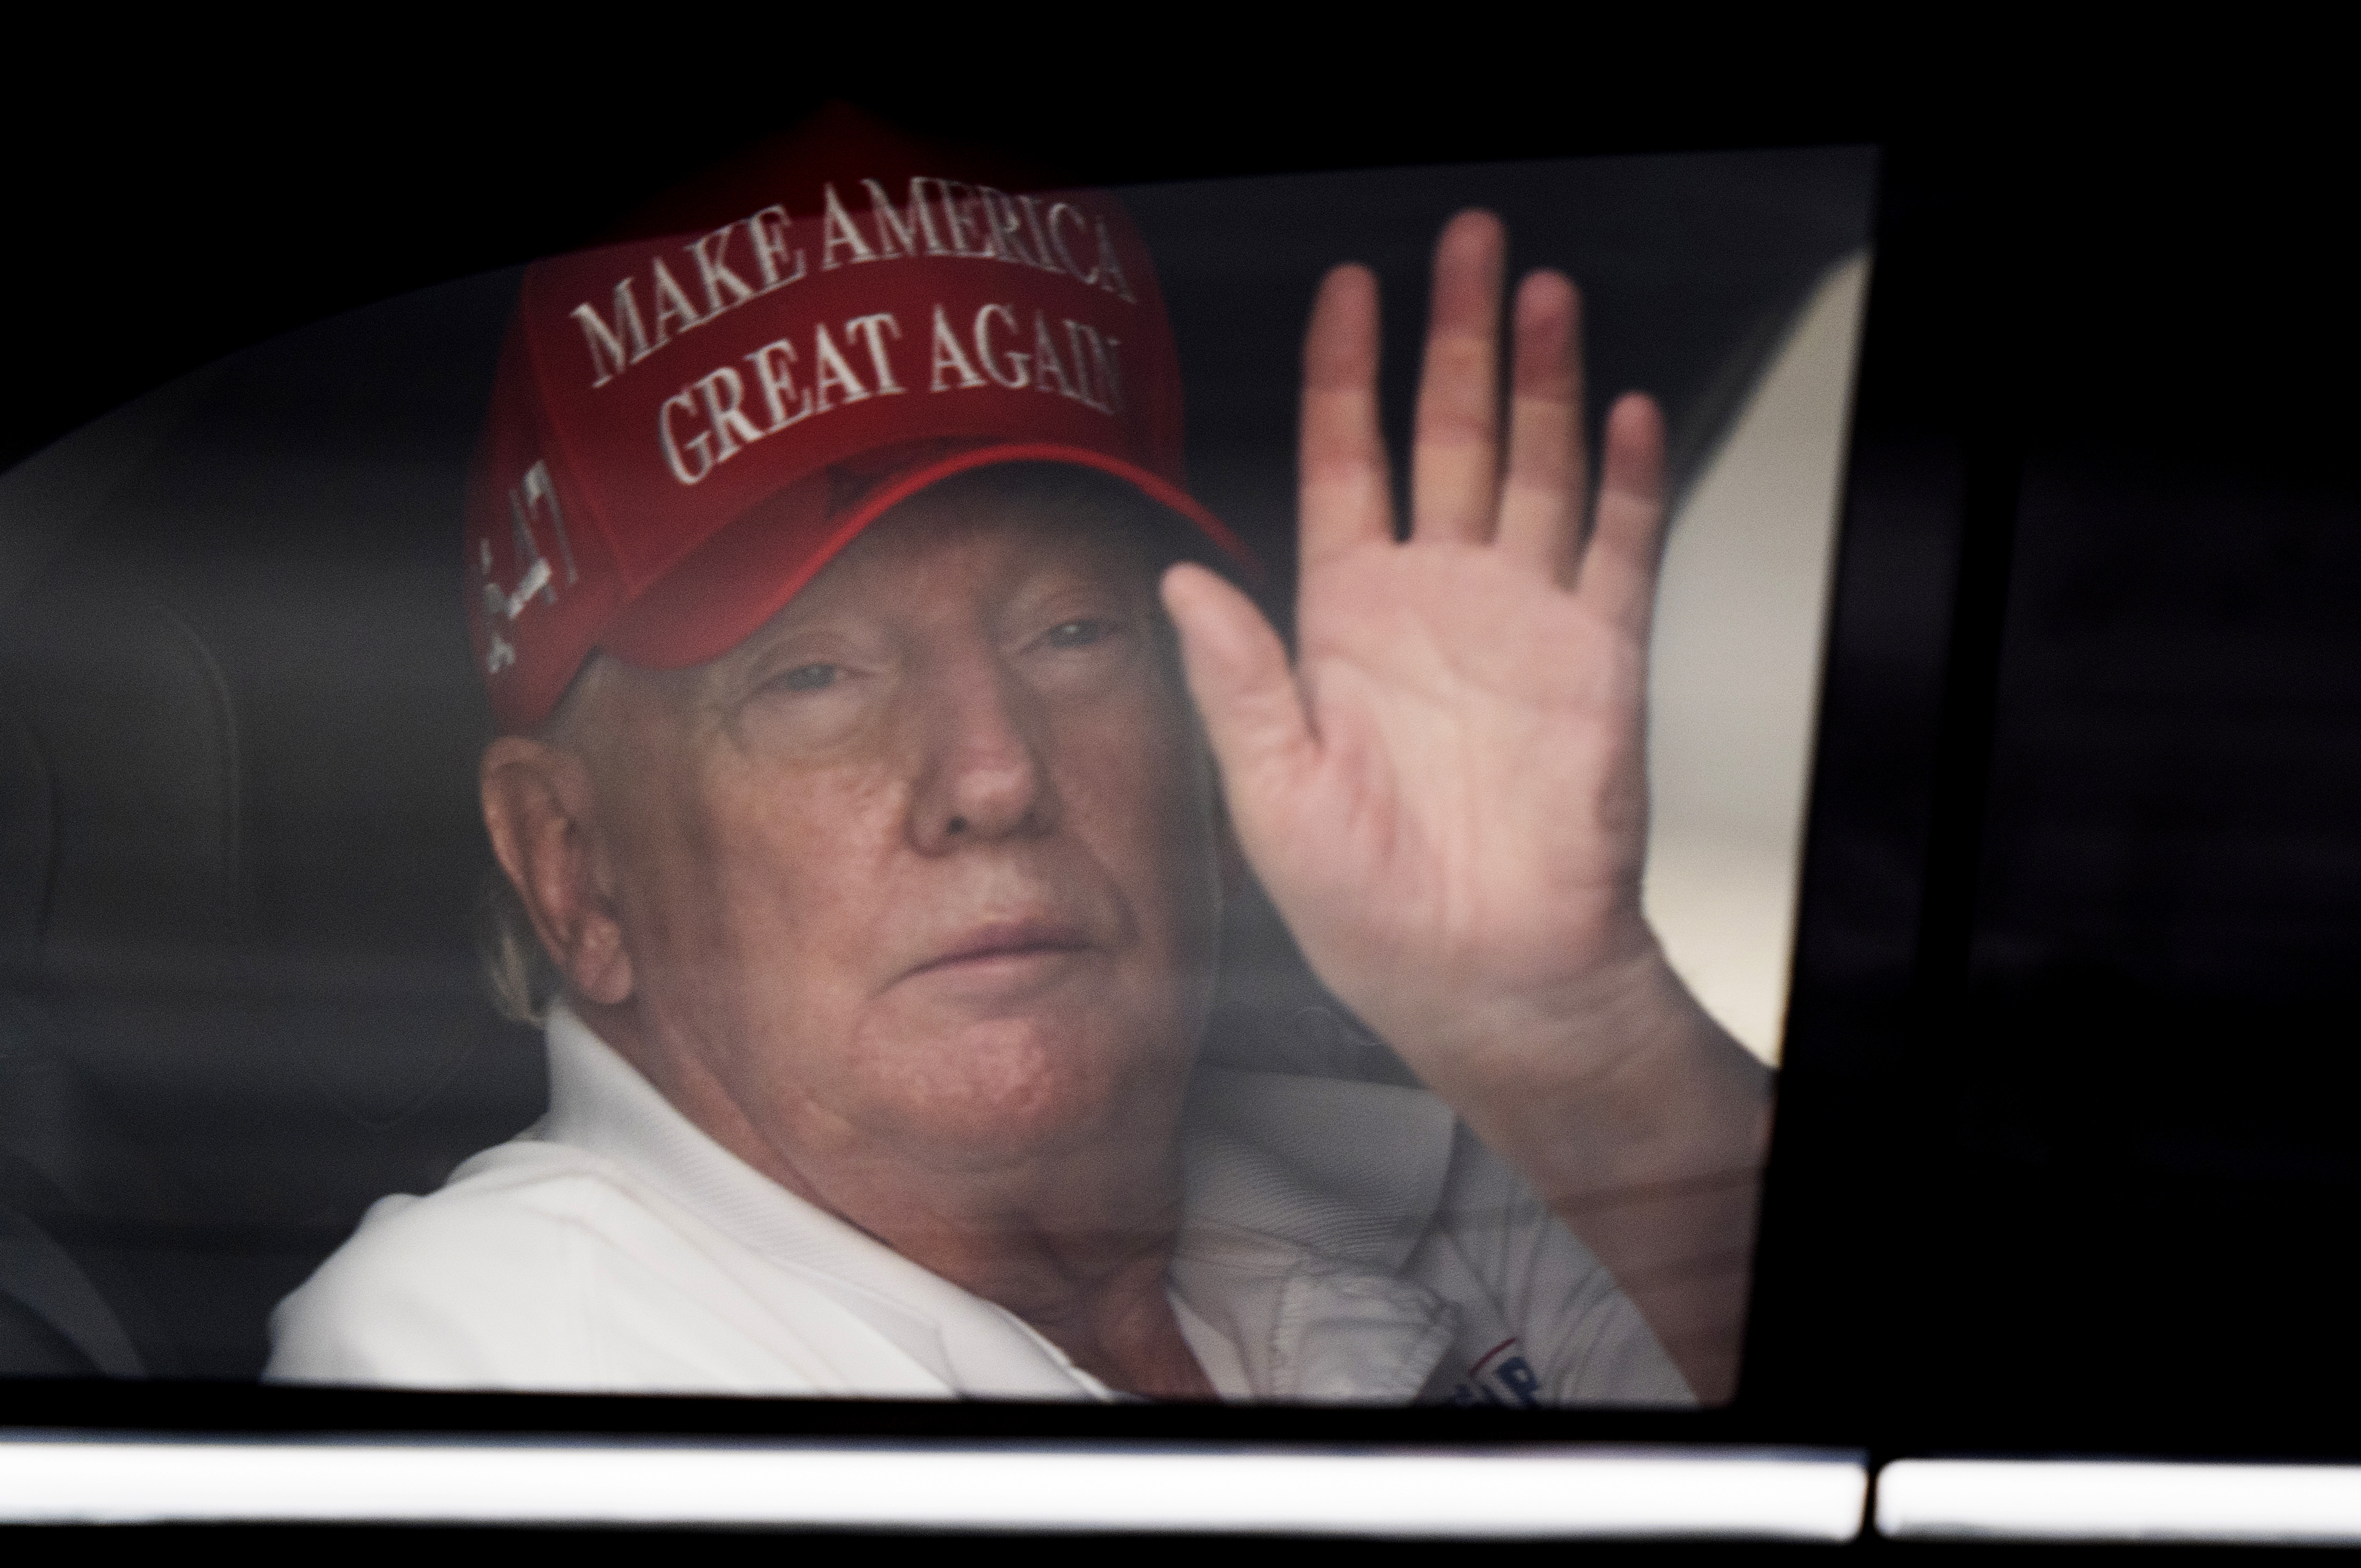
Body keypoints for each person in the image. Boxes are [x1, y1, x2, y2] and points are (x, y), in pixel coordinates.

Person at [266, 109, 1772, 1406]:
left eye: (1073, 633)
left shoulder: (1441, 1148)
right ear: (572, 867)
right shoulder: (486, 1342)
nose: (993, 776)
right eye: (815, 677)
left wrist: (1579, 1039)